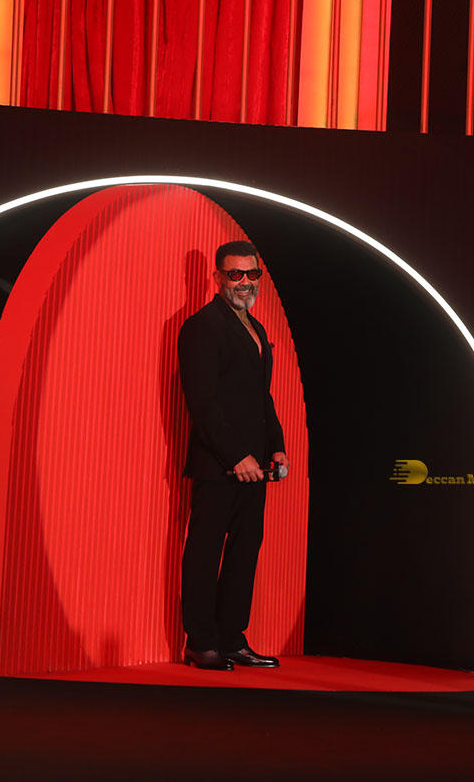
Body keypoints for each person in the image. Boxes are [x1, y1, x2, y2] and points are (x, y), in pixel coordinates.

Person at [176, 241, 289, 670]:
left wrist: (276, 445)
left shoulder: (256, 329)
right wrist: (235, 456)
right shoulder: (201, 326)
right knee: (205, 554)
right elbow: (202, 403)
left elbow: (261, 398)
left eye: (251, 274)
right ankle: (200, 642)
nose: (244, 282)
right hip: (218, 466)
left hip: (257, 468)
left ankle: (231, 638)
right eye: (234, 274)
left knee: (244, 554)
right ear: (217, 277)